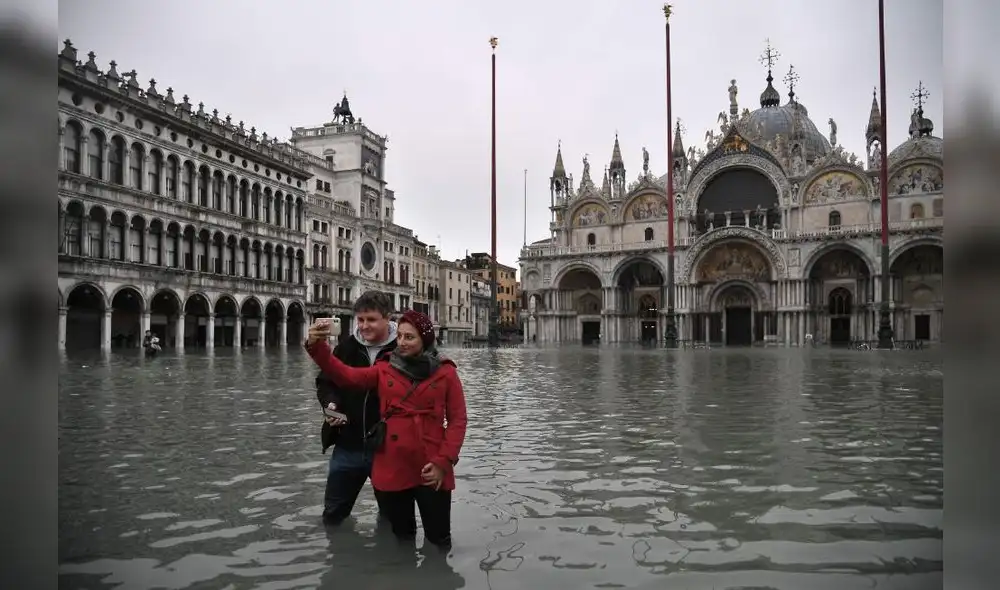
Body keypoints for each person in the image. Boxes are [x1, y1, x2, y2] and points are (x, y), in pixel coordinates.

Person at [305, 309, 468, 548]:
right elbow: (347, 376)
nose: (401, 342)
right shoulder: (385, 369)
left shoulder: (446, 372)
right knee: (402, 538)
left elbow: (458, 420)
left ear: (425, 339)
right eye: (400, 336)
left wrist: (444, 462)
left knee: (439, 538)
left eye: (409, 337)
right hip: (393, 465)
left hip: (431, 466)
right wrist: (317, 347)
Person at [316, 291, 398, 525]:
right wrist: (331, 406)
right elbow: (326, 382)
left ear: (387, 318)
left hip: (388, 449)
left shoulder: (403, 349)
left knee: (392, 518)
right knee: (333, 515)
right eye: (360, 320)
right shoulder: (346, 347)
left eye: (371, 320)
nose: (364, 326)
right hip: (347, 444)